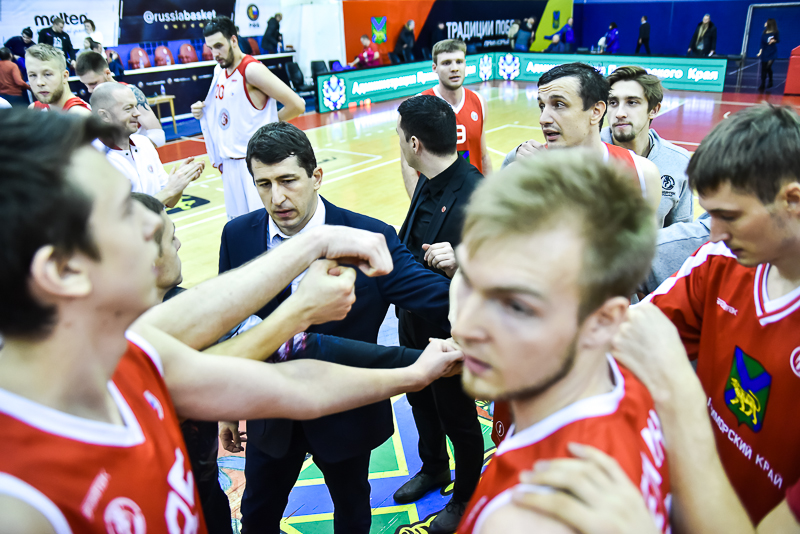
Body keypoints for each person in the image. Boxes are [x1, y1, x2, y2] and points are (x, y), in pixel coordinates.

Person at [0, 108, 463, 533]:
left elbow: (297, 381)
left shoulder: (131, 354)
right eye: (122, 211)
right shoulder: (21, 500)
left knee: (349, 505)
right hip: (270, 426)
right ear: (61, 269)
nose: (154, 223)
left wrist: (315, 245)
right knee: (260, 510)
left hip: (338, 422)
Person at [218, 121, 454, 534]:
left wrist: (477, 282)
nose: (277, 197)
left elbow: (438, 299)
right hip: (269, 410)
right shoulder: (238, 235)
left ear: (316, 176)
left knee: (351, 510)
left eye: (288, 180)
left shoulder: (369, 236)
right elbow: (228, 321)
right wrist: (226, 407)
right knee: (256, 514)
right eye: (264, 184)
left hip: (346, 411)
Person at [452, 150, 670, 534]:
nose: (466, 327)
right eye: (469, 280)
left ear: (602, 322)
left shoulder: (529, 517)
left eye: (517, 306)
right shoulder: (626, 380)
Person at [394, 95, 485, 533]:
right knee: (420, 401)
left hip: (452, 331)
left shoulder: (478, 195)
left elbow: (501, 272)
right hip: (413, 321)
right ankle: (434, 467)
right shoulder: (426, 180)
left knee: (459, 418)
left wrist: (463, 259)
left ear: (414, 143)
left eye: (399, 136)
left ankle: (466, 496)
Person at [502, 63, 662, 216]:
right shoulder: (519, 174)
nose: (543, 119)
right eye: (542, 106)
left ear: (596, 111)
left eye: (559, 104)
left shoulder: (643, 175)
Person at [191, 16, 305, 220]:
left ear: (233, 40)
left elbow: (297, 105)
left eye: (219, 46)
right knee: (238, 225)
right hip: (230, 163)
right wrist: (200, 110)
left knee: (263, 223)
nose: (214, 53)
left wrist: (268, 127)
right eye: (210, 48)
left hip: (254, 163)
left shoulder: (251, 70)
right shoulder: (219, 71)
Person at [601, 65, 693, 228]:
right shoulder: (584, 153)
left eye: (632, 102)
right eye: (613, 103)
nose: (619, 113)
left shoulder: (678, 162)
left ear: (654, 110)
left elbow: (680, 231)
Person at [400, 39, 491, 197]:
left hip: (474, 197)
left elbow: (483, 156)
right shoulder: (418, 106)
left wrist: (491, 196)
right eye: (446, 63)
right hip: (436, 200)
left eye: (459, 61)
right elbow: (408, 166)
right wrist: (419, 206)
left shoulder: (479, 102)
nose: (454, 68)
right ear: (434, 68)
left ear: (465, 64)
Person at [91, 83, 204, 207]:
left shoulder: (144, 143)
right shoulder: (93, 160)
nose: (137, 113)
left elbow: (170, 202)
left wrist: (179, 181)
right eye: (128, 108)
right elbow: (122, 214)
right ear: (104, 115)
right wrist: (169, 191)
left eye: (135, 106)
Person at [76, 51, 165, 147]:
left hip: (138, 153)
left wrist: (127, 149)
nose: (89, 90)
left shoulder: (131, 92)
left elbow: (158, 137)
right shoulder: (97, 100)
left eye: (93, 83)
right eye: (85, 85)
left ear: (107, 73)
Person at [25, 44, 90, 114]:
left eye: (47, 74)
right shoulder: (34, 108)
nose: (39, 83)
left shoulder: (79, 114)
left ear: (64, 76)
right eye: (33, 75)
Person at [758, 19, 779, 92]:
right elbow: (762, 43)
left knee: (768, 67)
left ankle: (770, 80)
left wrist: (774, 40)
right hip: (765, 52)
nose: (765, 23)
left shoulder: (775, 32)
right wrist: (760, 52)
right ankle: (763, 83)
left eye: (766, 22)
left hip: (772, 52)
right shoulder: (764, 33)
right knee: (763, 68)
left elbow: (778, 40)